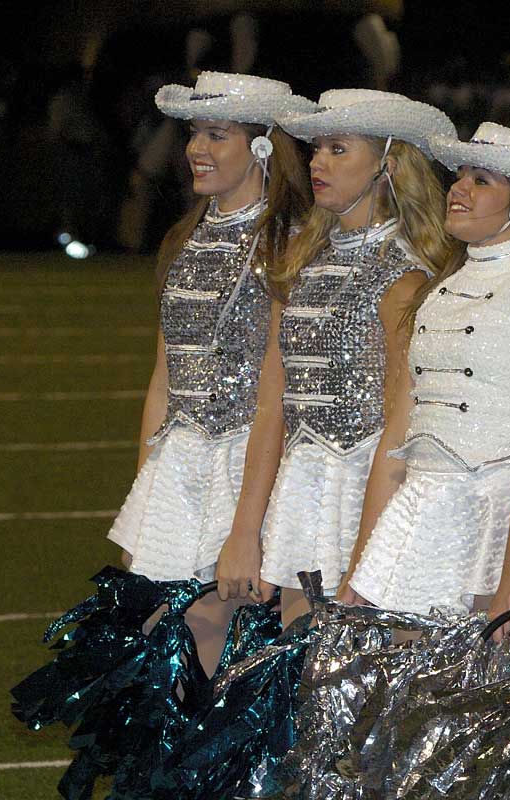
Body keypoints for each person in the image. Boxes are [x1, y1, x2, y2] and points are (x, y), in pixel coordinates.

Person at [217, 89, 455, 626]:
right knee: (303, 666)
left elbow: (403, 426)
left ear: (387, 166)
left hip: (371, 499)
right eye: (316, 149)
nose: (317, 162)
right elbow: (272, 404)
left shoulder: (407, 277)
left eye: (338, 149)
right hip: (302, 493)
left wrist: (372, 553)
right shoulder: (302, 263)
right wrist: (245, 530)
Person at [342, 122, 510, 617]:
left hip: (498, 515)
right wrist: (364, 559)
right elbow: (399, 431)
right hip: (419, 508)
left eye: (481, 180)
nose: (458, 189)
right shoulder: (435, 291)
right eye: (459, 177)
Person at [107, 71, 314, 672]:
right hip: (179, 460)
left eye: (217, 135)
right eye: (195, 133)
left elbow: (278, 392)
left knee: (210, 632)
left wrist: (247, 524)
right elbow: (164, 375)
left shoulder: (288, 244)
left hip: (244, 463)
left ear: (263, 146)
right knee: (155, 632)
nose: (196, 148)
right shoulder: (186, 236)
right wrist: (147, 481)